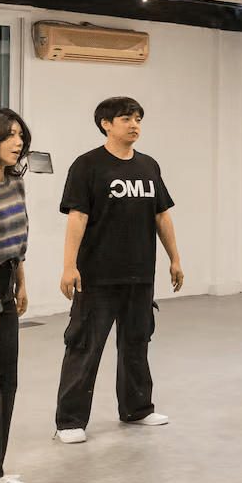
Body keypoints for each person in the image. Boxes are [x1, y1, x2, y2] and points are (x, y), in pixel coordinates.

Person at [55, 97, 182, 444]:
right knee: (84, 347)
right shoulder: (88, 166)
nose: (134, 124)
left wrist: (174, 258)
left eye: (138, 117)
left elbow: (162, 215)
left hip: (140, 276)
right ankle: (70, 421)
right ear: (106, 124)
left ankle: (137, 409)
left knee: (137, 344)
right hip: (96, 277)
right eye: (126, 118)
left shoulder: (149, 166)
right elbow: (77, 218)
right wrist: (69, 267)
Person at [0, 109, 31, 483]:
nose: (18, 142)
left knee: (7, 382)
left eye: (20, 135)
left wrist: (20, 283)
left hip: (7, 280)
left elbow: (20, 237)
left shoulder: (15, 184)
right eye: (9, 135)